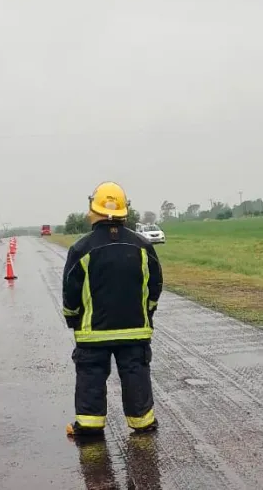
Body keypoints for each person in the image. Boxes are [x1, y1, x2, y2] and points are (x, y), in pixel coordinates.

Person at [63, 181, 164, 437]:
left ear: (93, 210)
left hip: (92, 334)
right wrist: (147, 313)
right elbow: (155, 285)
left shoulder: (81, 248)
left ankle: (89, 426)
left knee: (91, 377)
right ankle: (143, 422)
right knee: (135, 373)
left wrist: (73, 319)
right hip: (135, 331)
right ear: (123, 211)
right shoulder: (143, 247)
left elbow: (71, 292)